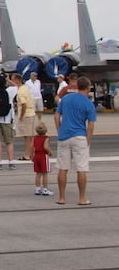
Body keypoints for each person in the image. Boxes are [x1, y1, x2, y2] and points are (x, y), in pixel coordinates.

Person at [54, 74, 96, 206]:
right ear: (88, 88)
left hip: (64, 135)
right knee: (81, 168)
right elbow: (90, 125)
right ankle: (82, 198)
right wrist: (87, 140)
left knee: (63, 168)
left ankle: (62, 197)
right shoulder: (88, 103)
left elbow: (56, 116)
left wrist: (59, 130)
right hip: (79, 136)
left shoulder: (66, 99)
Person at [12, 72, 36, 160]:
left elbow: (23, 104)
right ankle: (31, 153)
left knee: (27, 136)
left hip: (26, 115)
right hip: (31, 113)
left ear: (17, 80)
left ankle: (27, 154)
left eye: (13, 79)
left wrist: (21, 115)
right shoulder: (25, 88)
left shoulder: (20, 92)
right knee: (30, 136)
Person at [32, 120, 53, 196]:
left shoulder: (35, 138)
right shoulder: (46, 138)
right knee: (45, 173)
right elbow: (45, 147)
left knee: (38, 173)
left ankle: (37, 189)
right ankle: (45, 189)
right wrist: (50, 152)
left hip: (36, 155)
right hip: (43, 156)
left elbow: (32, 147)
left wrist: (32, 155)